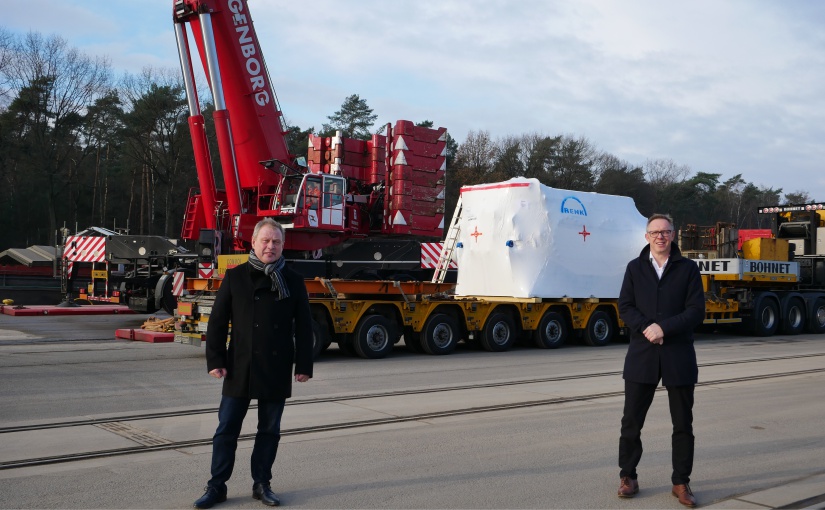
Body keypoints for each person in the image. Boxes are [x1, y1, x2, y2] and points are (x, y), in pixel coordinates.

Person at [194, 218, 313, 509]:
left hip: (276, 366)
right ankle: (216, 486)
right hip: (240, 366)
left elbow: (305, 327)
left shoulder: (294, 281)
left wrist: (304, 365)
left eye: (276, 242)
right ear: (254, 243)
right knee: (226, 430)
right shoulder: (235, 277)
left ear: (283, 245)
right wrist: (215, 360)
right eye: (265, 241)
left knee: (269, 430)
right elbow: (218, 323)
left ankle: (262, 484)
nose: (270, 246)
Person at [616, 213, 705, 508]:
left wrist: (664, 328)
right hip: (642, 355)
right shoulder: (634, 268)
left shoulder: (688, 269)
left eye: (665, 232)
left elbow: (696, 311)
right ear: (646, 237)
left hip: (678, 356)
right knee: (631, 422)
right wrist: (647, 328)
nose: (660, 237)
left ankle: (681, 481)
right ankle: (628, 475)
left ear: (673, 235)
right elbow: (625, 306)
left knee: (683, 424)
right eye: (654, 232)